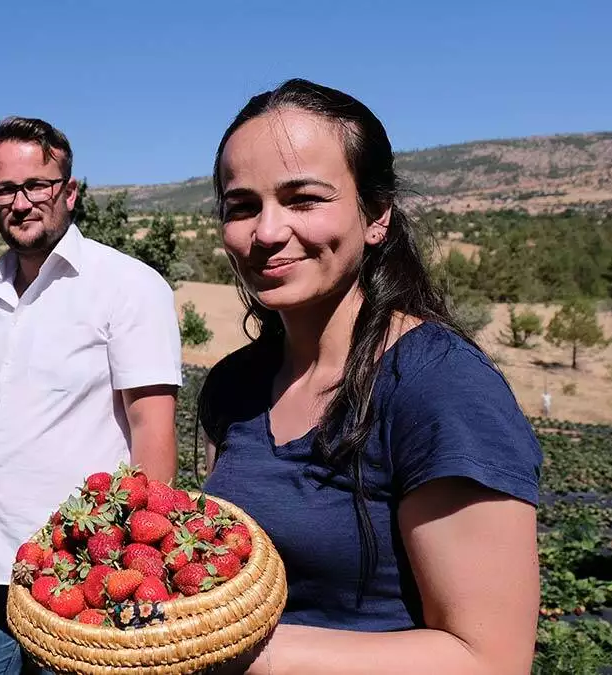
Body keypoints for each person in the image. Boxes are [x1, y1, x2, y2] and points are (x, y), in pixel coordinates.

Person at [195, 79, 543, 674]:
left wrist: (232, 654)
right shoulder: (234, 387)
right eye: (242, 206)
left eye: (303, 198)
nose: (268, 232)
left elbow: (489, 660)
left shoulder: (438, 387)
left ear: (376, 215)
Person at [0, 116, 184, 675]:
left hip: (79, 574)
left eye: (38, 185)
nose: (21, 201)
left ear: (69, 191)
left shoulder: (128, 287)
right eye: (4, 188)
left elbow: (152, 433)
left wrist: (146, 576)